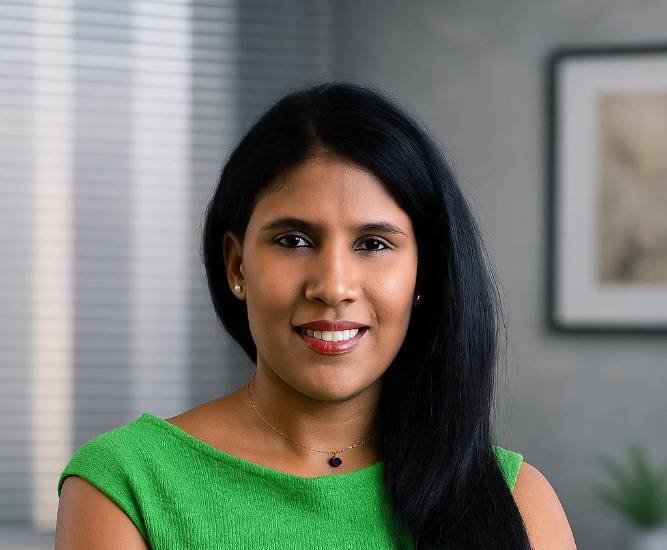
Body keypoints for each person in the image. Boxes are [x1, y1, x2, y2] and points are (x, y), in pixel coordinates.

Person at [55, 81, 577, 549]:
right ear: (237, 265)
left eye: (373, 244)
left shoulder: (517, 499)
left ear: (425, 274)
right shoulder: (128, 486)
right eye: (293, 240)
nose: (333, 287)